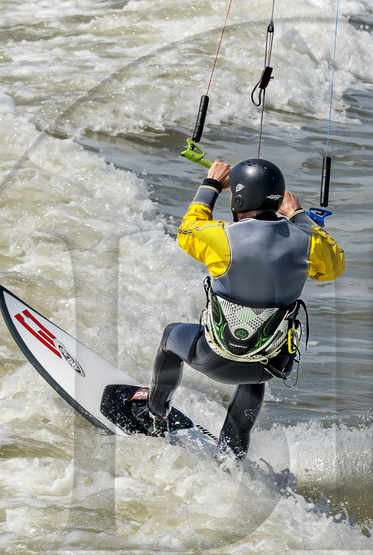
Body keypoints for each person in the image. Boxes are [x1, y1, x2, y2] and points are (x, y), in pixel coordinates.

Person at [135, 157, 344, 456]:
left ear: (239, 199)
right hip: (267, 367)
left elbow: (187, 230)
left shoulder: (223, 238)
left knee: (170, 336)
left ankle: (155, 416)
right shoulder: (307, 244)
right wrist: (298, 215)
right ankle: (232, 457)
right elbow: (335, 262)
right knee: (257, 361)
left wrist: (211, 185)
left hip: (214, 358)